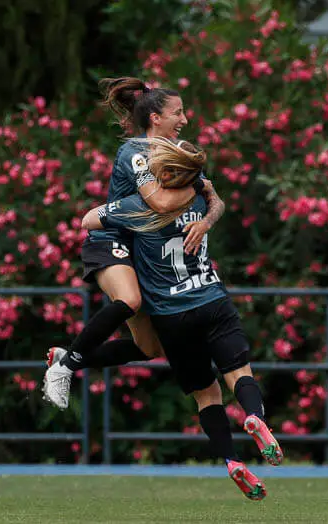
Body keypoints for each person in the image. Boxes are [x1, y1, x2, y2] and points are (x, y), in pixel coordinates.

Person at [81, 137, 283, 501]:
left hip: (171, 316)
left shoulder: (139, 206)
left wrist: (124, 223)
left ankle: (231, 460)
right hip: (211, 300)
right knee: (239, 373)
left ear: (163, 172)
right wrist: (203, 201)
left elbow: (89, 221)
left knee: (207, 395)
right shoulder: (200, 198)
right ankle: (255, 418)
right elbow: (214, 198)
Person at [42, 77, 225, 410]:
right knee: (129, 299)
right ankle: (63, 370)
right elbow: (160, 203)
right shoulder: (135, 151)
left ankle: (70, 357)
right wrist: (199, 186)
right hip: (110, 241)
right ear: (156, 118)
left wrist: (206, 216)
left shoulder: (174, 153)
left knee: (149, 349)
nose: (185, 120)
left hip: (138, 253)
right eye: (178, 112)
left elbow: (217, 201)